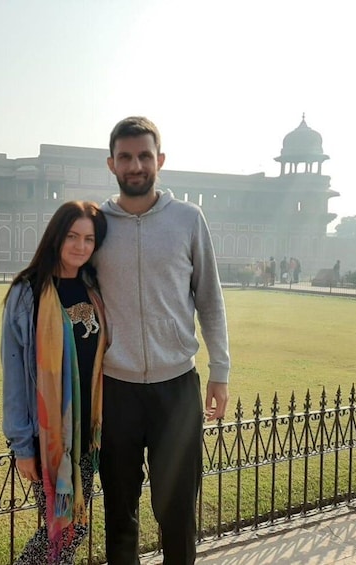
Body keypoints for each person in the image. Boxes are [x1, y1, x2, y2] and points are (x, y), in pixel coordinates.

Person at [94, 116, 230, 564]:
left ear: (161, 160)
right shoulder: (97, 226)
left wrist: (220, 372)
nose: (136, 165)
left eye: (145, 156)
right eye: (127, 157)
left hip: (176, 387)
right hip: (116, 389)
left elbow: (209, 298)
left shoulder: (188, 219)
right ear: (112, 163)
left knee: (176, 513)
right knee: (120, 511)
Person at [1, 200, 108, 564]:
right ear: (56, 237)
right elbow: (14, 373)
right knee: (59, 530)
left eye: (89, 239)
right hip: (47, 438)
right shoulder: (28, 292)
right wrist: (22, 445)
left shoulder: (93, 290)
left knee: (73, 527)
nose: (80, 246)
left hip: (86, 439)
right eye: (72, 236)